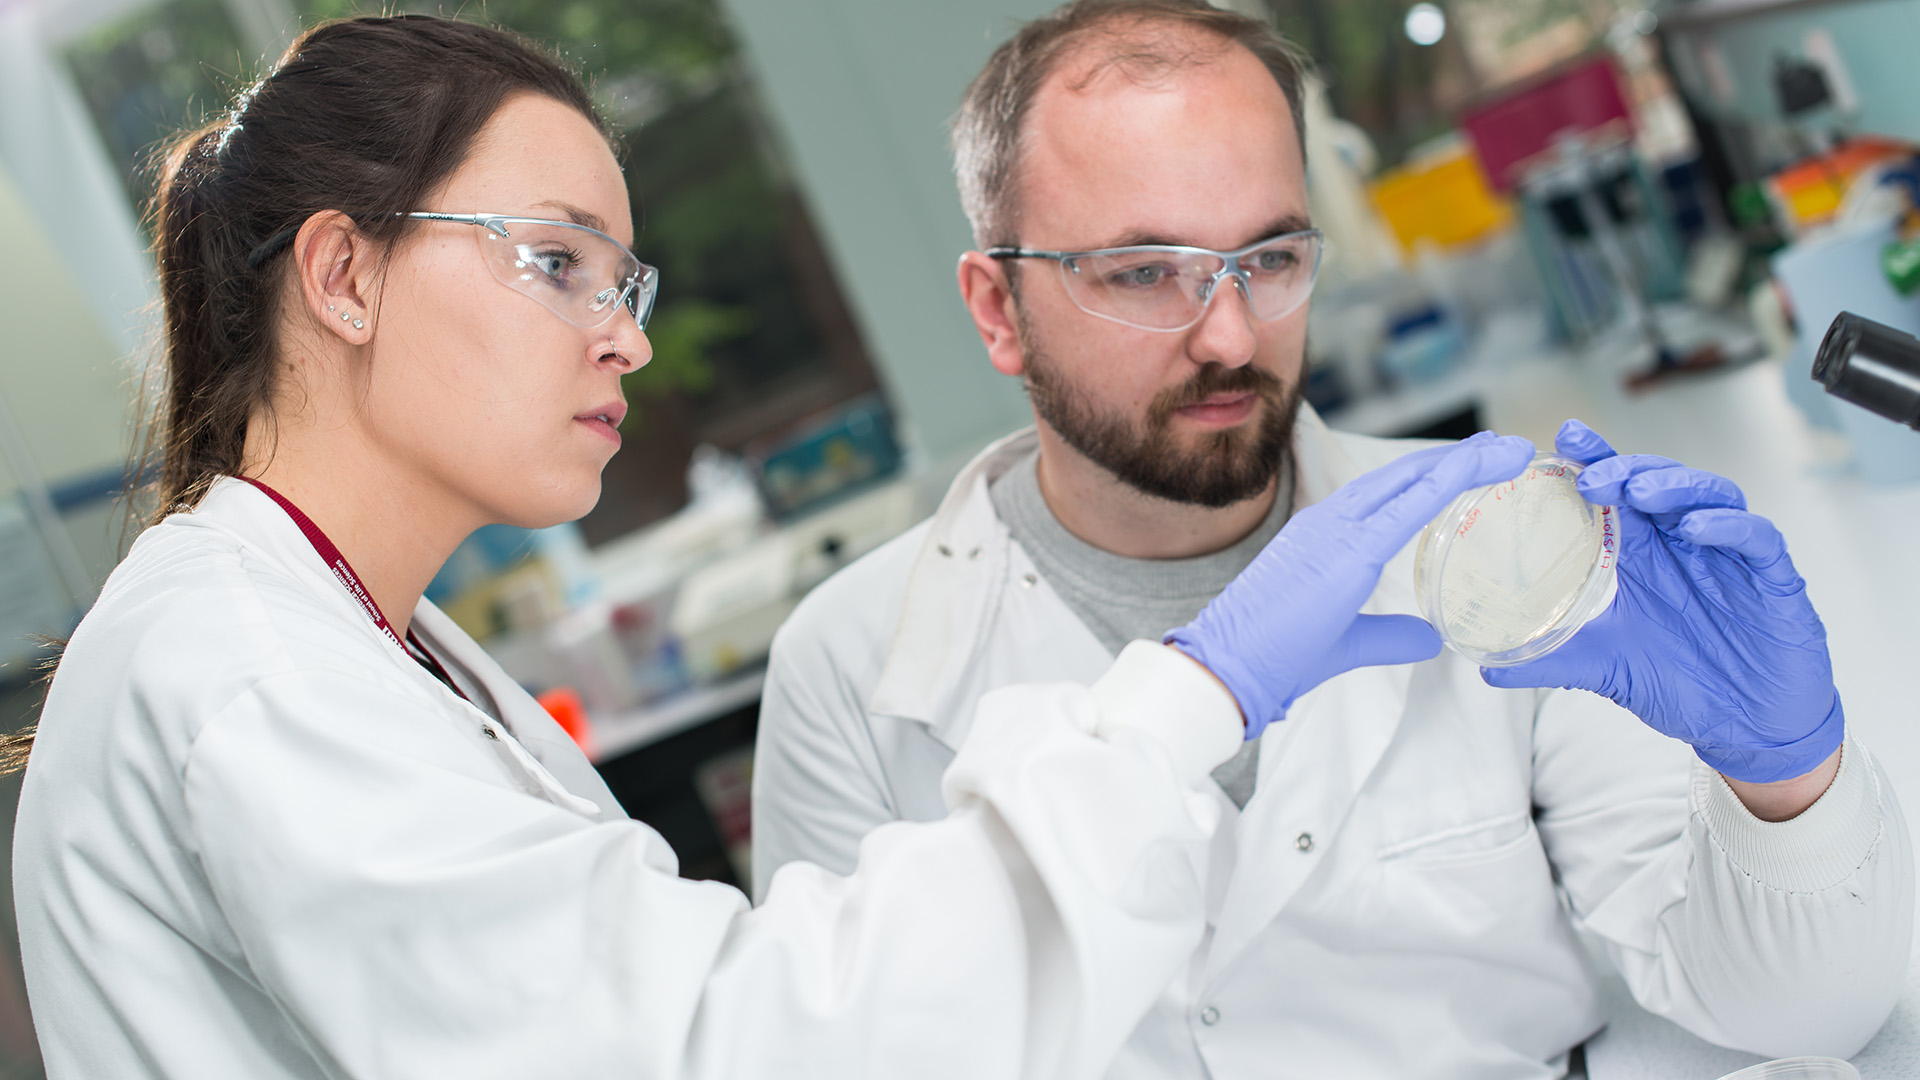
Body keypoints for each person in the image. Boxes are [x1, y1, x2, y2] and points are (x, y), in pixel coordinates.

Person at [8, 16, 1539, 1079]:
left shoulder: (356, 638)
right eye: (556, 265)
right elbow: (730, 1047)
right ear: (343, 270)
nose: (624, 343)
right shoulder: (245, 668)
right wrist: (1197, 691)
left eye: (627, 283)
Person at [749, 2, 1915, 1076]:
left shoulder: (1507, 545)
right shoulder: (853, 667)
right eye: (1146, 271)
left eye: (1268, 259)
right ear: (999, 310)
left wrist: (1788, 781)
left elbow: (1803, 1018)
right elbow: (841, 1053)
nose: (1228, 333)